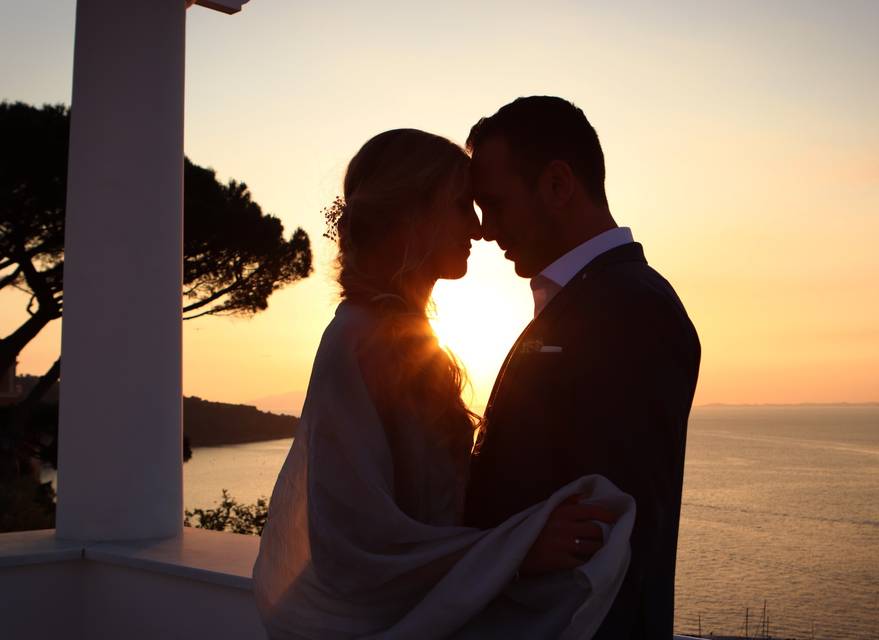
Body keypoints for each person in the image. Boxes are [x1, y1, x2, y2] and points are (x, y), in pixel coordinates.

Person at [252, 128, 635, 639]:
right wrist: (519, 550)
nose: (478, 228)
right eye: (460, 205)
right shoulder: (359, 339)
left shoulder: (404, 337)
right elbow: (355, 542)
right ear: (412, 213)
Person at [464, 97, 701, 639]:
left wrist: (510, 550)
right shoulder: (591, 300)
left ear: (557, 186)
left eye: (494, 205)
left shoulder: (633, 309)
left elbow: (610, 523)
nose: (483, 230)